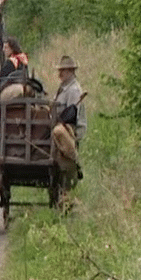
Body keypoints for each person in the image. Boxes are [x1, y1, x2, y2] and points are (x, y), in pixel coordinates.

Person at [51, 55, 87, 207]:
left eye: (63, 71)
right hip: (62, 128)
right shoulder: (64, 88)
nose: (60, 74)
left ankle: (67, 202)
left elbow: (71, 116)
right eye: (60, 71)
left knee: (66, 168)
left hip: (69, 132)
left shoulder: (73, 90)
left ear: (71, 71)